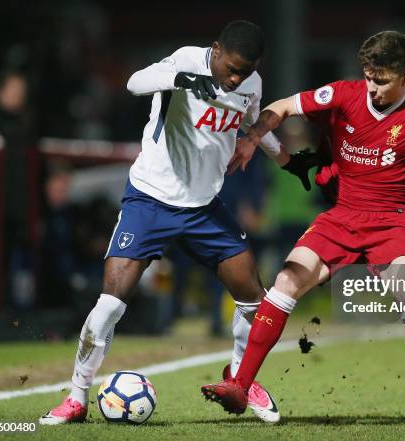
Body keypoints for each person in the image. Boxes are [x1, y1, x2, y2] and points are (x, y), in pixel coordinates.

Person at [39, 20, 318, 425]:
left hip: (204, 207)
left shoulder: (250, 83)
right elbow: (135, 82)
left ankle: (240, 380)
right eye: (231, 68)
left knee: (257, 303)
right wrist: (181, 79)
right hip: (150, 200)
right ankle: (77, 397)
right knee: (109, 306)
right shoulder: (188, 60)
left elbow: (249, 125)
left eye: (245, 70)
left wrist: (287, 161)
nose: (235, 77)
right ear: (216, 49)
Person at [202, 30, 405, 432]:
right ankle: (240, 387)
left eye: (382, 80)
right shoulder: (343, 93)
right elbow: (282, 106)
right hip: (341, 217)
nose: (373, 88)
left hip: (392, 220)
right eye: (369, 77)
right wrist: (254, 136)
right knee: (285, 280)